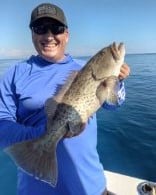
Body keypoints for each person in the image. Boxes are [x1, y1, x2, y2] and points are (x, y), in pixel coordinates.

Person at [0, 3, 130, 195]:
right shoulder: (14, 74)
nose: (49, 35)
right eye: (40, 28)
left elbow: (113, 104)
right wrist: (43, 136)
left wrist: (117, 83)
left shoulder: (84, 68)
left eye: (57, 28)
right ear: (33, 34)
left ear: (67, 35)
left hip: (90, 187)